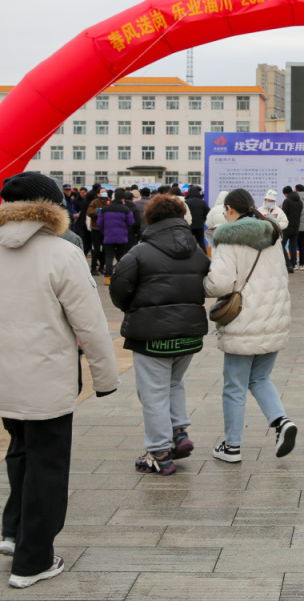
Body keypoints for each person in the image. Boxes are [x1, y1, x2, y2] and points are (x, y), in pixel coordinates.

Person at [0, 172, 119, 589]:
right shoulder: (62, 254)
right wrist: (105, 379)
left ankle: (13, 532)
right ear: (52, 207)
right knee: (48, 464)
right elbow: (89, 325)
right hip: (48, 381)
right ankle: (32, 561)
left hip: (3, 379)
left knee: (20, 451)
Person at [109, 194, 210, 475]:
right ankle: (178, 430)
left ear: (150, 218)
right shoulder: (198, 251)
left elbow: (119, 289)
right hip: (189, 333)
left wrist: (134, 308)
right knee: (174, 383)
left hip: (151, 335)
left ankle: (159, 451)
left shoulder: (140, 252)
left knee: (152, 391)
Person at [204, 189, 297, 463]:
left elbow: (219, 284)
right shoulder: (273, 234)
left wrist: (202, 285)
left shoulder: (226, 238)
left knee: (234, 385)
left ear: (230, 209)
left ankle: (232, 447)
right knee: (260, 378)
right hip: (274, 318)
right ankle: (282, 422)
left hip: (242, 320)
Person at [97, 188, 135, 285]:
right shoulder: (126, 209)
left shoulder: (105, 209)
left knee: (109, 256)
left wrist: (104, 231)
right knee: (121, 257)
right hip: (122, 237)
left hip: (108, 236)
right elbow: (131, 222)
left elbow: (99, 223)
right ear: (123, 199)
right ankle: (120, 276)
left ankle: (108, 278)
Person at [280, 185, 303, 273]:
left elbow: (284, 215)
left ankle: (287, 264)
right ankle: (293, 265)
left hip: (287, 227)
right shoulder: (300, 201)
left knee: (281, 245)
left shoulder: (287, 201)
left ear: (286, 194)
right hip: (296, 227)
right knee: (293, 246)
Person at [86, 187, 108, 275]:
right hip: (96, 228)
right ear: (98, 194)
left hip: (106, 228)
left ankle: (102, 266)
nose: (104, 194)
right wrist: (97, 211)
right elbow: (89, 212)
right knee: (96, 249)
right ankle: (93, 267)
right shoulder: (94, 202)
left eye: (105, 192)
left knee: (105, 249)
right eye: (102, 192)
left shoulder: (109, 201)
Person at [183, 185, 210, 251]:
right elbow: (208, 213)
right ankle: (204, 256)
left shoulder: (186, 202)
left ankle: (191, 256)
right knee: (201, 241)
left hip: (189, 225)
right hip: (199, 225)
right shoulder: (202, 202)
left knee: (189, 242)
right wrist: (202, 218)